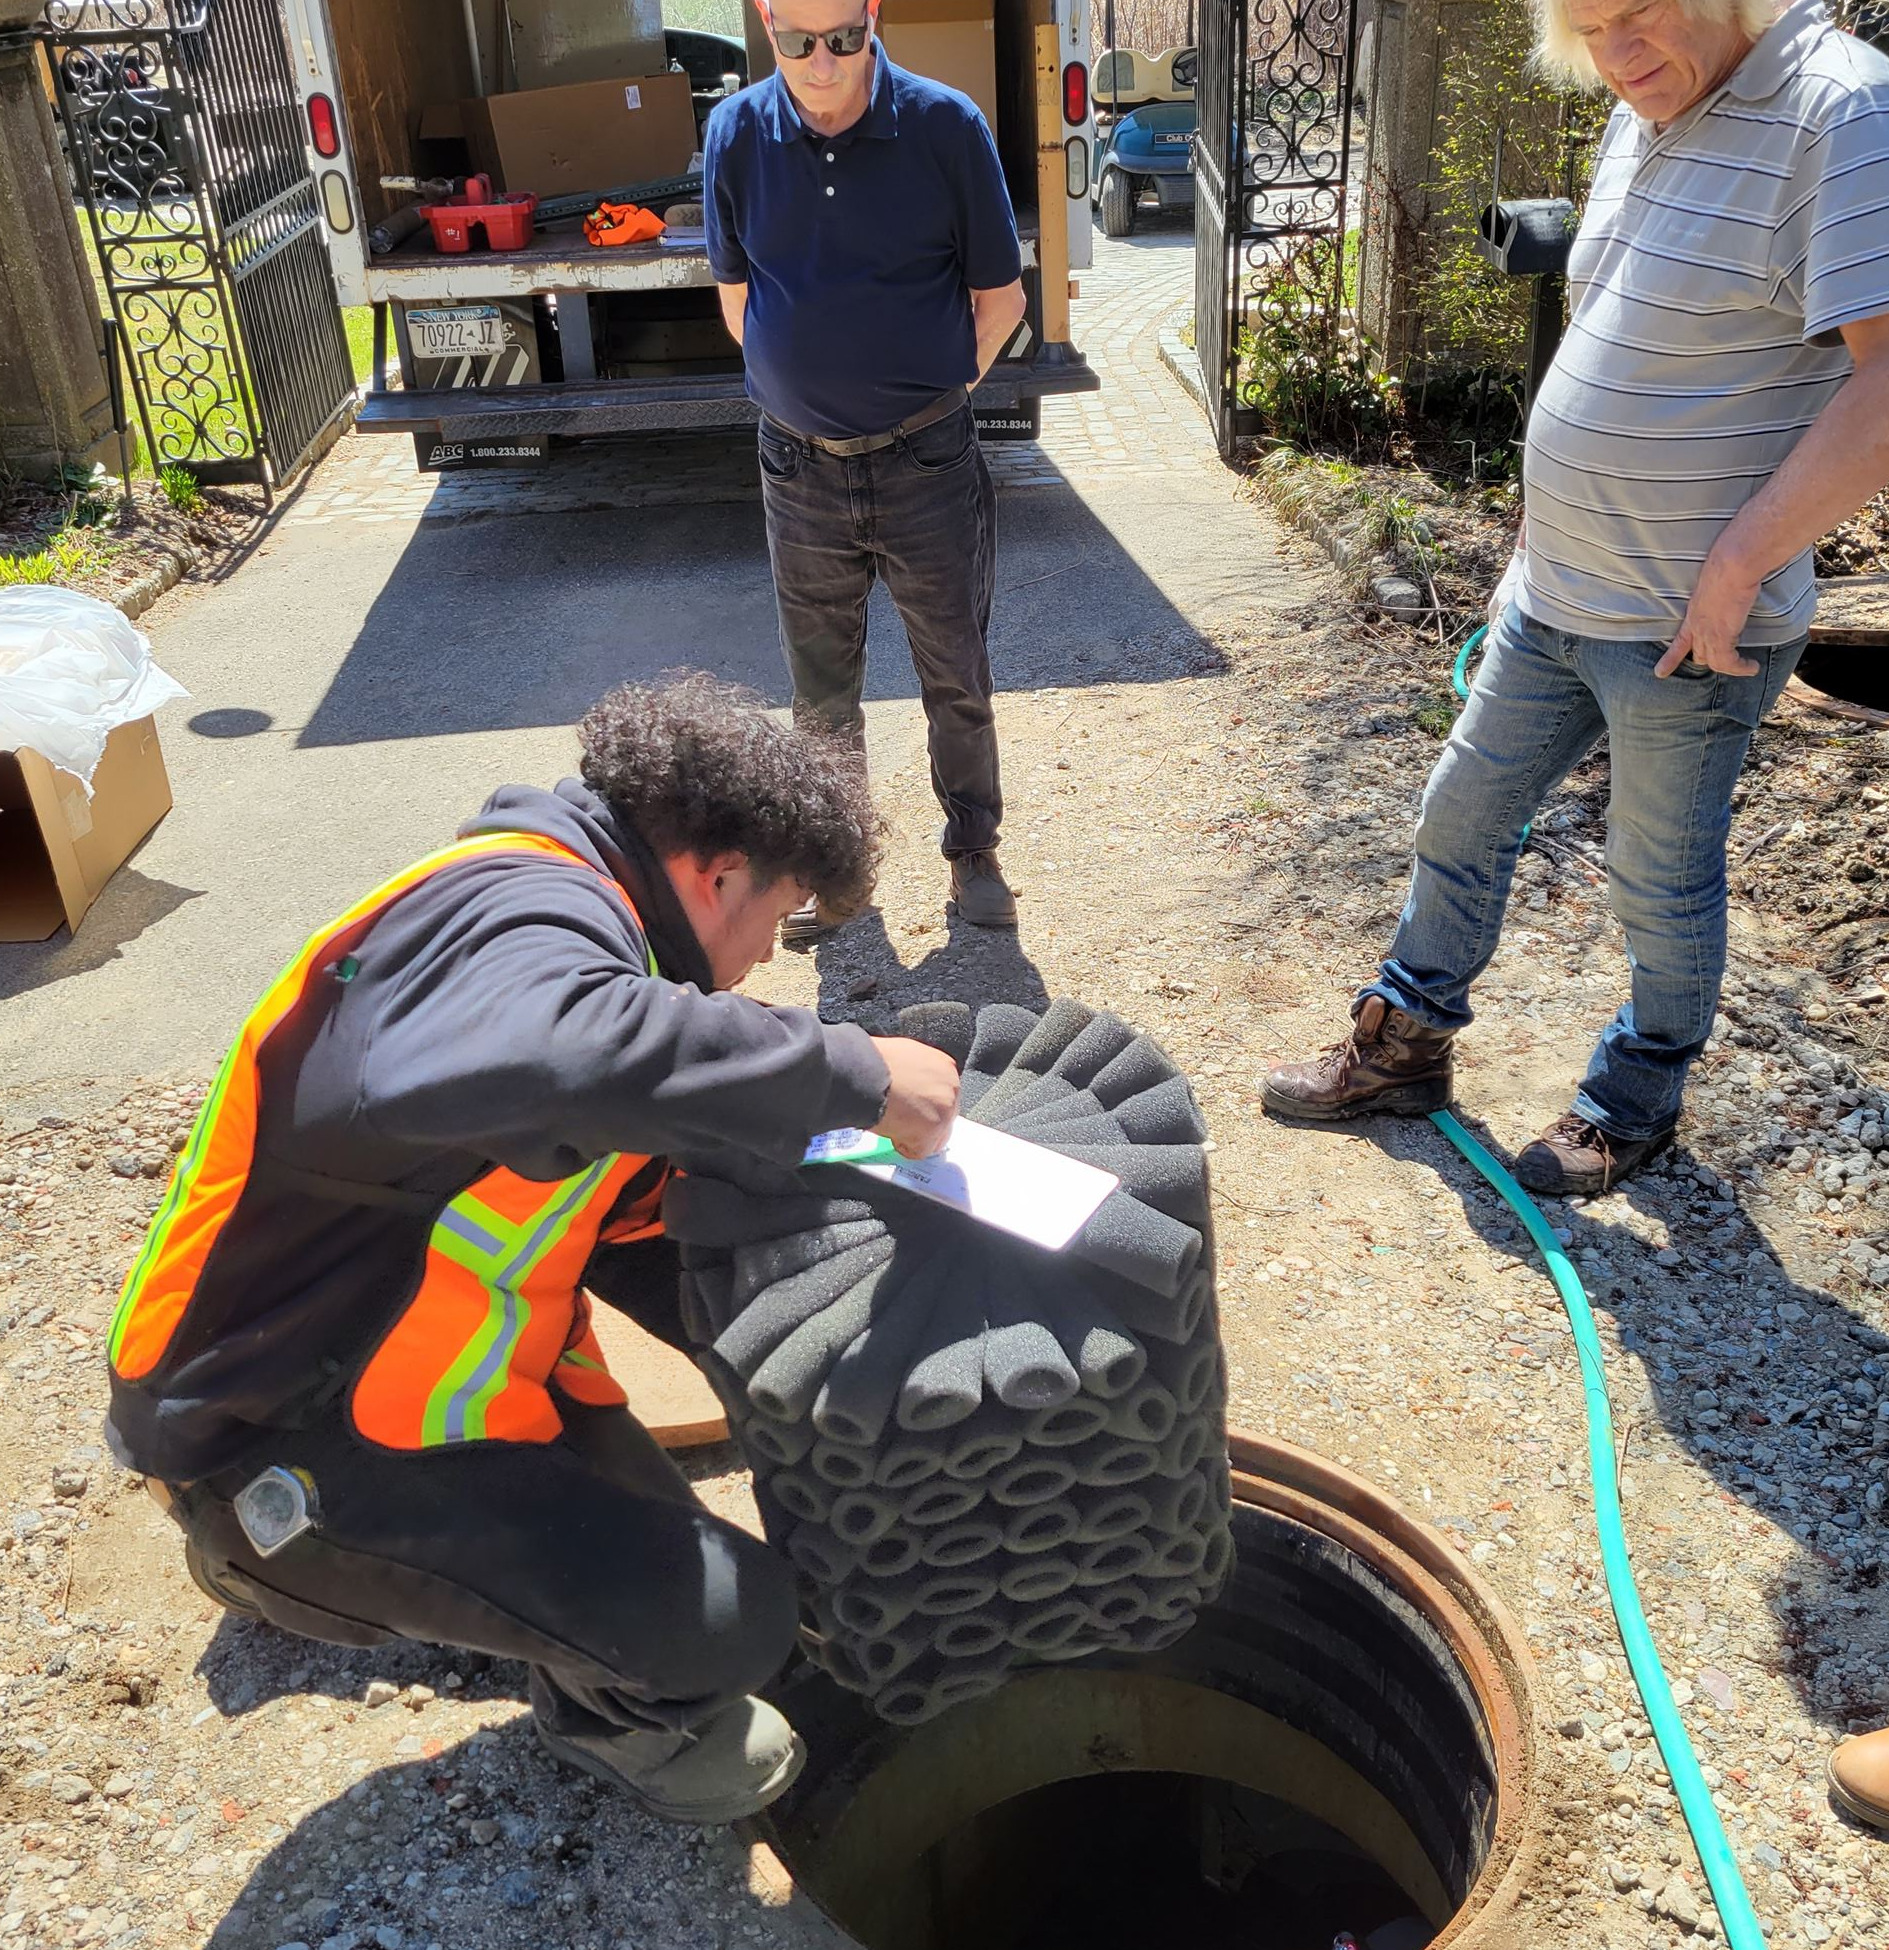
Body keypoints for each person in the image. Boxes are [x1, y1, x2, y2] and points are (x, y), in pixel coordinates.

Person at [105, 675, 961, 1825]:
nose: (769, 959)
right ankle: (280, 1562)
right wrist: (852, 1069)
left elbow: (615, 1201)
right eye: (782, 916)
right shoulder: (519, 918)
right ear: (716, 877)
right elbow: (567, 1057)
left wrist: (800, 1339)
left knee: (698, 1576)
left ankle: (431, 1579)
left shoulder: (574, 928)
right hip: (264, 1422)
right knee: (729, 1625)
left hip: (431, 1368)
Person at [1264, 0, 1889, 1198]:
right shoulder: (1643, 106)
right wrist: (1531, 547)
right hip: (1553, 593)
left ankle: (1633, 1098)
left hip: (1685, 629)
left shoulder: (1840, 107)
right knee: (1458, 815)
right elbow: (1612, 332)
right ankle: (1402, 1046)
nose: (1616, 53)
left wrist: (1741, 560)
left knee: (1654, 876)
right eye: (1589, 27)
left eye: (1638, 14)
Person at [704, 0, 1029, 940]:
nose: (820, 61)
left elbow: (1000, 296)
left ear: (871, 17)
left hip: (926, 457)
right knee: (819, 691)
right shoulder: (733, 132)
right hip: (796, 466)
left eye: (841, 38)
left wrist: (935, 388)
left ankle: (974, 850)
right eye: (795, 40)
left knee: (954, 674)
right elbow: (736, 296)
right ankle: (837, 875)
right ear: (767, 23)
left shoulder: (943, 125)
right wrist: (800, 388)